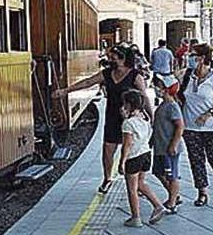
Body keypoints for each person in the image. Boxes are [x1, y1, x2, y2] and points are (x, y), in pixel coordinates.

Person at [54, 43, 151, 194]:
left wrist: (151, 116)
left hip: (132, 118)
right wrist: (66, 91)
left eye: (113, 58)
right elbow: (88, 82)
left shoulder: (135, 75)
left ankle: (139, 183)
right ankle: (107, 178)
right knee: (108, 149)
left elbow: (144, 96)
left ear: (122, 58)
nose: (110, 60)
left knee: (136, 150)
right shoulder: (107, 73)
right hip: (112, 116)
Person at [180, 43, 213, 206]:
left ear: (202, 58)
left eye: (192, 55)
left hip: (212, 126)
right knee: (196, 160)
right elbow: (180, 95)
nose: (189, 58)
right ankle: (202, 191)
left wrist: (208, 114)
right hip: (190, 126)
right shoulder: (187, 75)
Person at [117, 89, 166, 227]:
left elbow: (127, 144)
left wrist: (122, 162)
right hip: (146, 154)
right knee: (141, 184)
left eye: (125, 103)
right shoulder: (145, 119)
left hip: (134, 157)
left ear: (129, 104)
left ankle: (136, 217)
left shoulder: (128, 124)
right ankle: (158, 206)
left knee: (132, 189)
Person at [150, 73, 184, 213]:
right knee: (158, 172)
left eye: (159, 86)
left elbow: (180, 126)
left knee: (172, 175)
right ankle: (174, 195)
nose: (156, 88)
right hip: (160, 147)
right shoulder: (163, 105)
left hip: (169, 148)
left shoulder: (172, 106)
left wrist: (173, 144)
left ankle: (172, 202)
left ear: (166, 89)